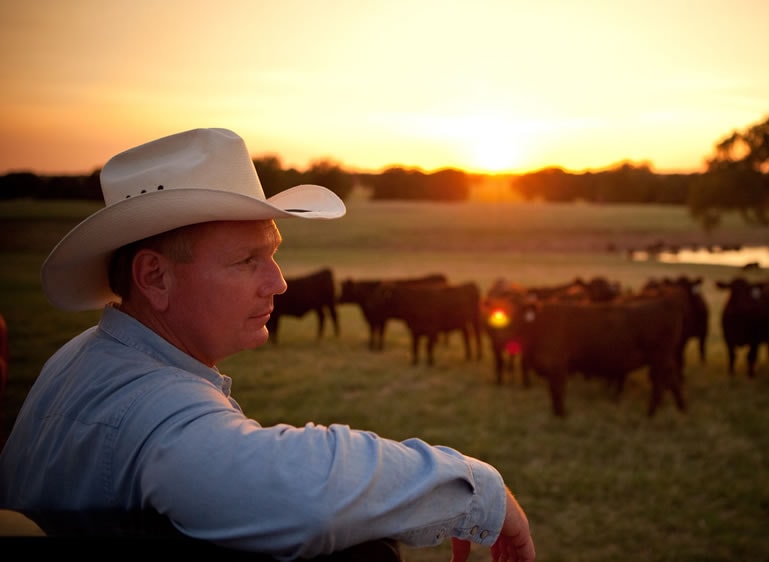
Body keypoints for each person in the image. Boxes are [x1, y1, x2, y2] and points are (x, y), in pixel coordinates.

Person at [0, 128, 535, 561]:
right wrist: (479, 487)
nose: (278, 283)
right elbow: (301, 492)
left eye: (273, 255)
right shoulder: (158, 407)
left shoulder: (76, 358)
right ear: (155, 278)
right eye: (246, 260)